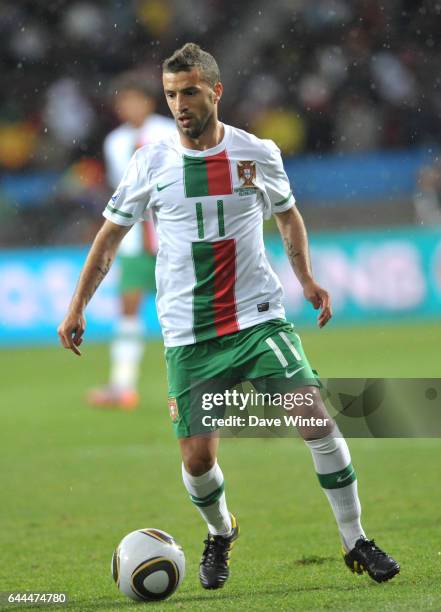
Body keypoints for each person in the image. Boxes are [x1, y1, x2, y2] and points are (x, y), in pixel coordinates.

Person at [58, 43, 399, 591]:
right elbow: (108, 239)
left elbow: (289, 217)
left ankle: (355, 539)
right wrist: (78, 305)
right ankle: (221, 532)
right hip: (189, 335)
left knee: (317, 421)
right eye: (171, 94)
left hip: (258, 319)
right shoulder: (151, 162)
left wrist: (306, 279)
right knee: (196, 461)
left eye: (189, 91)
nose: (179, 104)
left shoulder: (257, 152)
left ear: (215, 91)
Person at [87, 72, 176, 410]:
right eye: (123, 101)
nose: (129, 107)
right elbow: (120, 193)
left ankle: (216, 381)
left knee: (195, 310)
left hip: (174, 238)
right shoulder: (115, 142)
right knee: (128, 309)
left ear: (148, 102)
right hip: (136, 241)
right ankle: (122, 385)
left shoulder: (169, 132)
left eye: (134, 99)